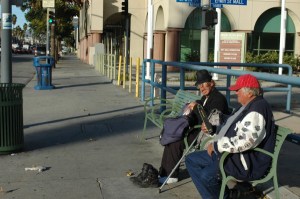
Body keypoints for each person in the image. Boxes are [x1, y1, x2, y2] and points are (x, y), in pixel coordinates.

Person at [185, 74, 276, 199]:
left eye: (238, 90)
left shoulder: (257, 110)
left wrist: (217, 146)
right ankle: (225, 196)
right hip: (234, 155)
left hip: (247, 162)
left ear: (249, 93)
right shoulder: (249, 105)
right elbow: (233, 127)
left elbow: (246, 141)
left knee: (207, 176)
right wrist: (214, 129)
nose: (236, 93)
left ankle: (225, 196)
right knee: (191, 159)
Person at [158, 69, 230, 184]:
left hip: (209, 134)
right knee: (173, 136)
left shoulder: (218, 99)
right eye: (199, 85)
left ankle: (171, 175)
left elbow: (209, 121)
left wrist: (196, 107)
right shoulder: (206, 97)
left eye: (204, 84)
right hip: (198, 130)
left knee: (176, 140)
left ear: (211, 83)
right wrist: (194, 106)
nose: (201, 88)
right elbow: (201, 110)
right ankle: (164, 172)